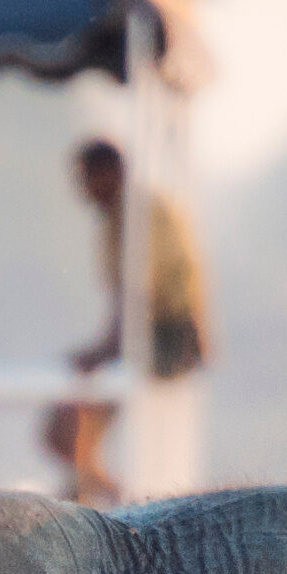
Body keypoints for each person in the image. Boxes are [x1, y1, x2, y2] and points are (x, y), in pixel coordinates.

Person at [45, 138, 210, 504]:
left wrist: (102, 352)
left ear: (109, 174)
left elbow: (139, 296)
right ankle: (95, 490)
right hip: (148, 333)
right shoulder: (118, 216)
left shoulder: (138, 214)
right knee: (63, 433)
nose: (81, 186)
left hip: (168, 337)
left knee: (72, 424)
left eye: (86, 176)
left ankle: (107, 496)